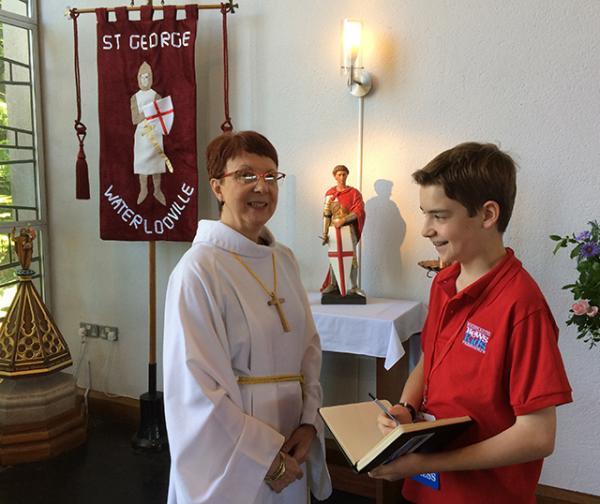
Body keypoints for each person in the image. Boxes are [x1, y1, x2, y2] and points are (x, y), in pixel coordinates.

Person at [369, 143, 572, 503]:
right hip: (427, 486)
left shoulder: (522, 306)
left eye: (439, 216)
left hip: (482, 494)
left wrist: (428, 463)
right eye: (423, 214)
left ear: (488, 214)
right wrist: (406, 407)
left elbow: (538, 435)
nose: (425, 230)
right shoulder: (445, 282)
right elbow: (431, 359)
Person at [163, 130, 332, 503]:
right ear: (218, 187)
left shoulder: (282, 259)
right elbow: (196, 388)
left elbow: (309, 347)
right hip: (235, 452)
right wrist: (265, 458)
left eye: (271, 176)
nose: (262, 187)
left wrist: (308, 421)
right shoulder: (198, 270)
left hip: (292, 439)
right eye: (246, 175)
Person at [320, 164, 366, 297]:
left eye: (344, 174)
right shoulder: (330, 194)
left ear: (347, 175)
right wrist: (324, 233)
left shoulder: (354, 193)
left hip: (348, 229)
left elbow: (358, 210)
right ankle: (334, 284)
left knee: (351, 258)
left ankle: (354, 286)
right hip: (333, 230)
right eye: (339, 174)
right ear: (334, 176)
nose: (341, 177)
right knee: (334, 257)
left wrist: (344, 220)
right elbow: (326, 214)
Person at [131, 61, 167, 206]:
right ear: (138, 79)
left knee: (156, 163)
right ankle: (143, 189)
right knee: (142, 164)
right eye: (142, 77)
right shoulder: (134, 97)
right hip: (141, 135)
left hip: (155, 132)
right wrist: (148, 111)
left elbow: (161, 115)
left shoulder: (156, 95)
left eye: (147, 77)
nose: (145, 80)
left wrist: (148, 112)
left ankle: (157, 190)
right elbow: (135, 119)